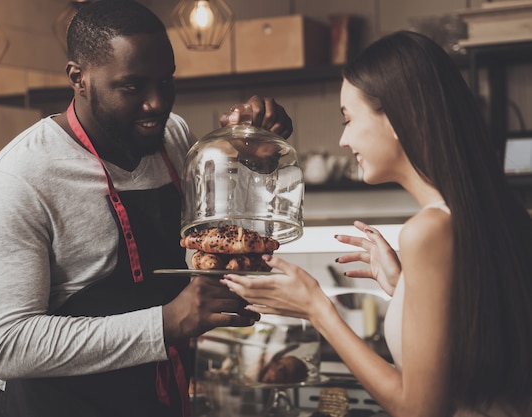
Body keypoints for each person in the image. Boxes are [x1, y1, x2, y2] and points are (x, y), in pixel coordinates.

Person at [0, 2, 293, 417]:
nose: (157, 103)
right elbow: (6, 346)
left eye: (165, 81)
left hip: (161, 399)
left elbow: (209, 241)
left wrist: (250, 156)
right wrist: (168, 322)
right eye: (133, 86)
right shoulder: (19, 178)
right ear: (78, 78)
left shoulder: (172, 135)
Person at [223, 30, 532, 417]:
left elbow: (419, 409)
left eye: (348, 119)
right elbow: (478, 342)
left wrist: (317, 309)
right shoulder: (497, 213)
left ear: (399, 117)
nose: (343, 140)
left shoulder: (427, 231)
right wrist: (404, 287)